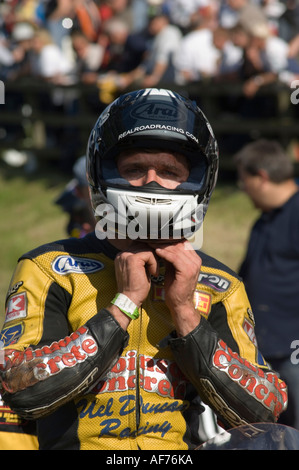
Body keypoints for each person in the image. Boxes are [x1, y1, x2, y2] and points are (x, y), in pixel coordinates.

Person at [0, 89, 287, 450]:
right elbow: (19, 389)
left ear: (198, 180)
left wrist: (185, 313)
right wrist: (123, 306)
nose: (151, 183)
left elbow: (264, 412)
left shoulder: (219, 284)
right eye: (135, 169)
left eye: (169, 171)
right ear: (101, 174)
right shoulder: (51, 269)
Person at [234, 139, 299, 430]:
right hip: (265, 350)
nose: (242, 188)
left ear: (261, 177)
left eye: (244, 180)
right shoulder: (265, 220)